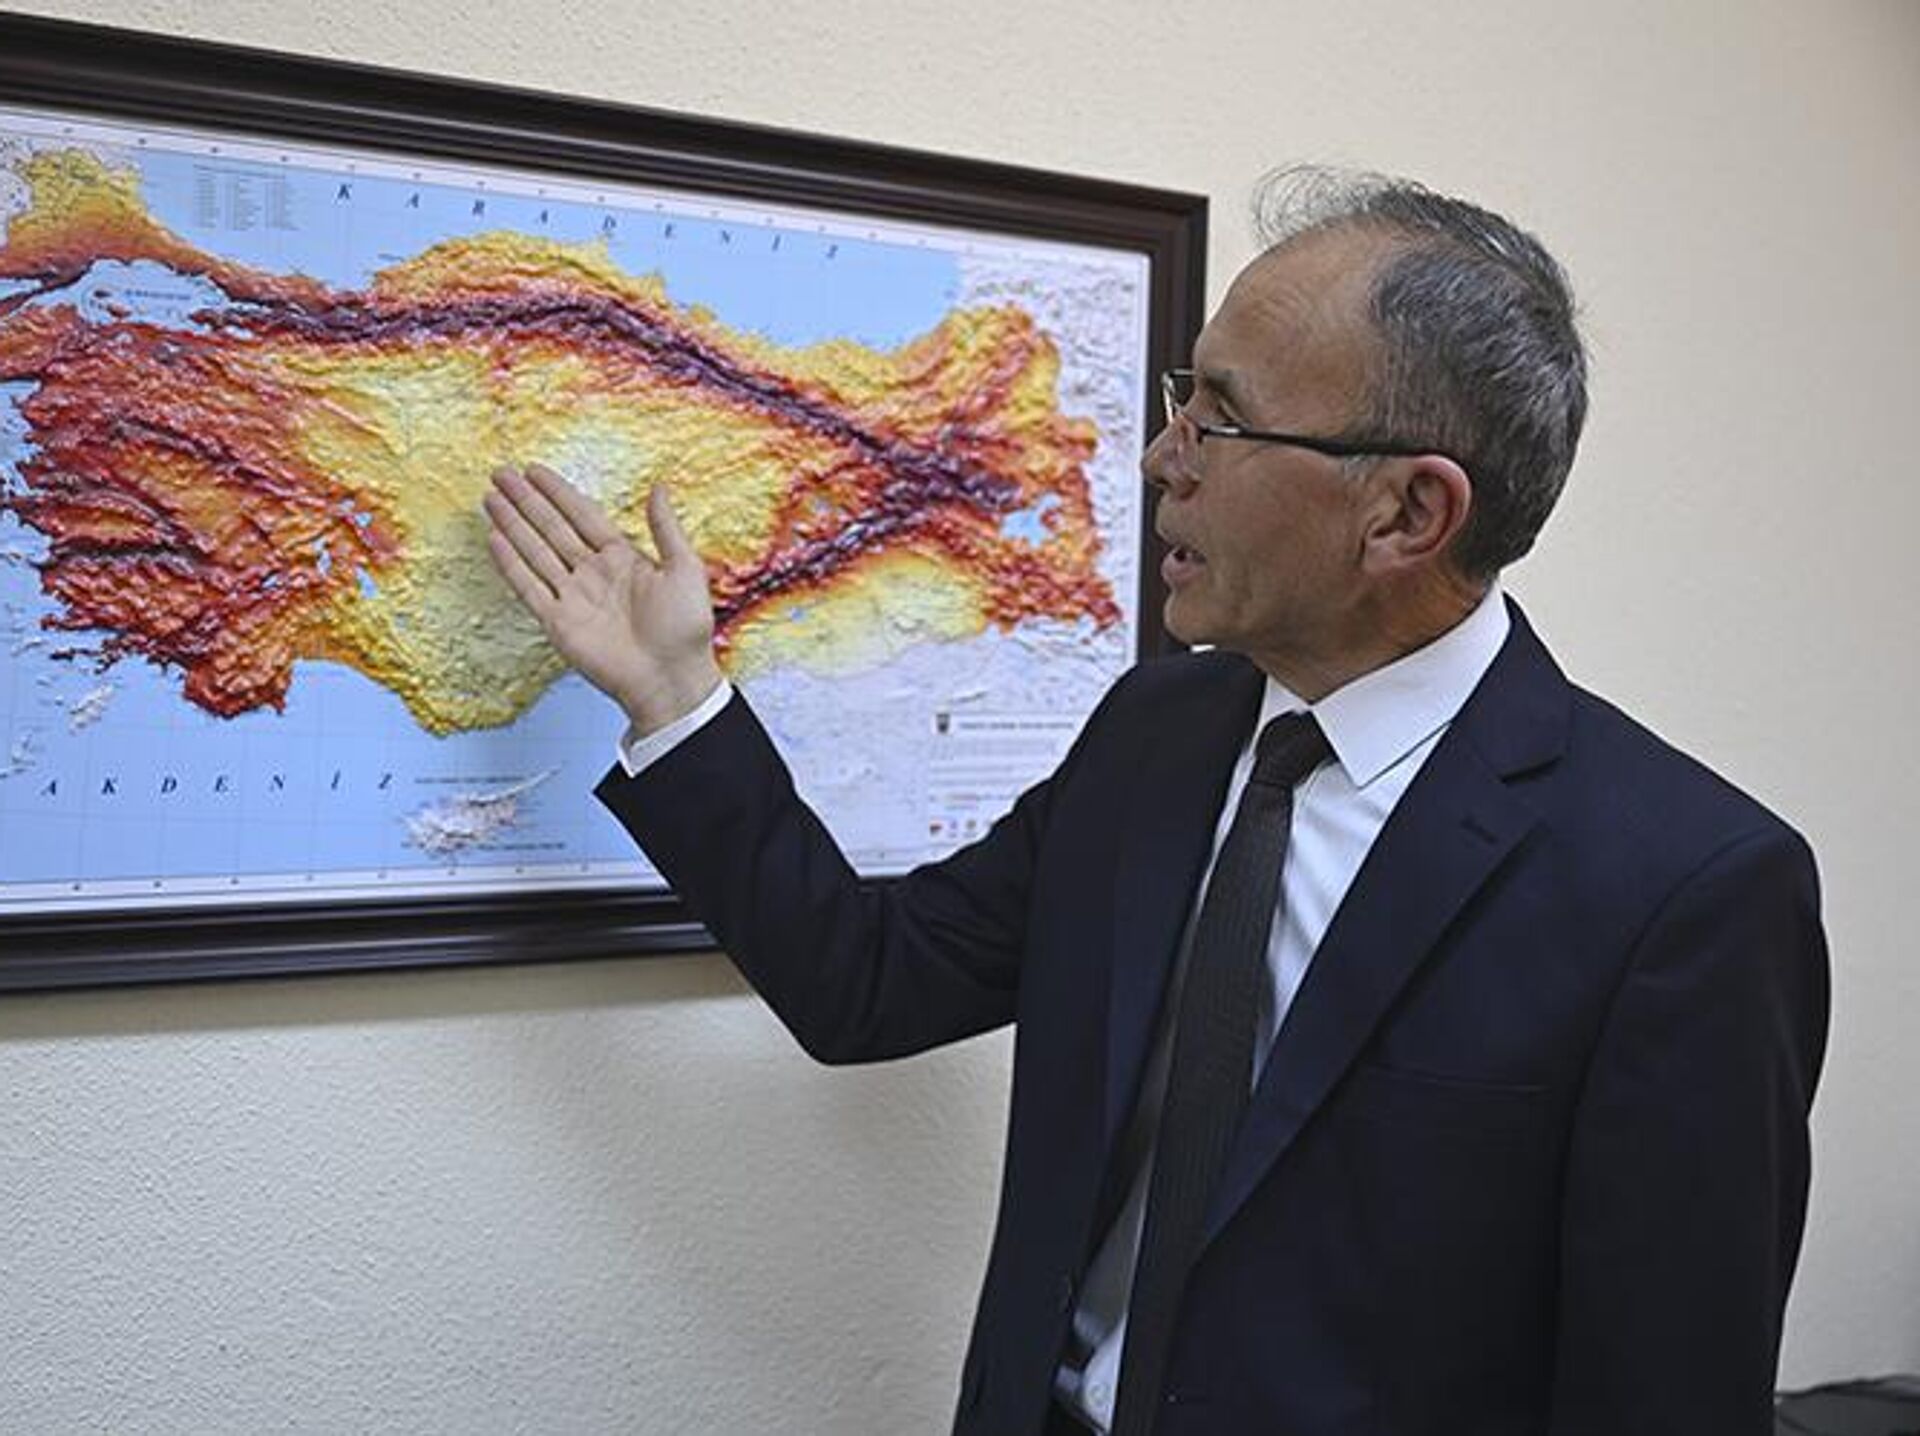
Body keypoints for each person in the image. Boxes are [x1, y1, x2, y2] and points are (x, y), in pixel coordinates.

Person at [482, 166, 1829, 1436]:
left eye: (1220, 420)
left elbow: (1663, 1397)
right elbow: (870, 985)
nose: (1158, 458)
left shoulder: (1681, 893)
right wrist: (675, 693)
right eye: (1187, 398)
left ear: (1409, 516)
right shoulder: (1158, 734)